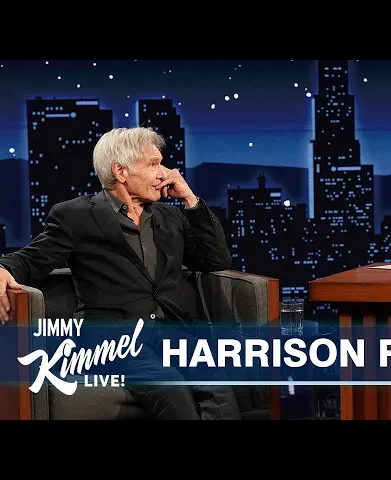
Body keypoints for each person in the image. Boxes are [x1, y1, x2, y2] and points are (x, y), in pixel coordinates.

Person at [0, 126, 241, 420]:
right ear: (121, 171)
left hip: (173, 333)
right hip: (114, 340)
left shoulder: (170, 216)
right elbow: (32, 259)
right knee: (169, 387)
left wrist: (190, 200)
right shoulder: (76, 216)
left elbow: (215, 260)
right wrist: (3, 268)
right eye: (153, 164)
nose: (165, 173)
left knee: (217, 386)